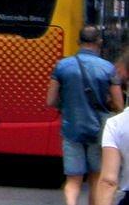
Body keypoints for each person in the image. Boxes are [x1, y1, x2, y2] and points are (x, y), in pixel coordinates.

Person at [49, 25, 124, 205]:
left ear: (78, 42)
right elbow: (119, 105)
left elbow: (50, 101)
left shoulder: (62, 66)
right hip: (99, 131)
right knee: (96, 178)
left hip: (71, 128)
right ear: (99, 42)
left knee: (73, 180)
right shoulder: (108, 68)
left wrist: (67, 105)